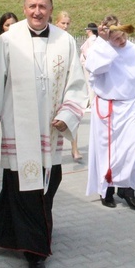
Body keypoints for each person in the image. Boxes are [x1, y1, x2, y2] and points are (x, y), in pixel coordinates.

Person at [0, 0, 87, 268]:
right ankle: (35, 253)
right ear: (23, 9)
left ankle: (9, 235)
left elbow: (76, 84)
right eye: (32, 6)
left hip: (51, 130)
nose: (37, 11)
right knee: (24, 188)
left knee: (42, 186)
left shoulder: (66, 41)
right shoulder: (9, 40)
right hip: (18, 129)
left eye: (43, 7)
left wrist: (67, 116)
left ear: (51, 10)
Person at [85, 15, 135, 211]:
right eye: (117, 38)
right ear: (108, 38)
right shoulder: (102, 50)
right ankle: (107, 190)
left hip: (129, 106)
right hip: (107, 108)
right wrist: (103, 44)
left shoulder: (134, 51)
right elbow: (94, 67)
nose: (122, 41)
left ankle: (127, 189)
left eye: (123, 36)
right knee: (107, 154)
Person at [54, 11, 83, 162]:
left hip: (67, 83)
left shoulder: (69, 39)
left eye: (67, 23)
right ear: (56, 23)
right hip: (54, 85)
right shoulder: (52, 39)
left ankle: (75, 148)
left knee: (71, 116)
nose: (65, 26)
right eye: (62, 23)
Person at [80, 22, 99, 106]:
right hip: (86, 64)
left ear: (90, 30)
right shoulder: (92, 39)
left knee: (89, 83)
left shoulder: (92, 39)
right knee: (88, 83)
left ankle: (91, 102)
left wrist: (86, 58)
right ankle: (89, 101)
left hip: (87, 64)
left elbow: (90, 53)